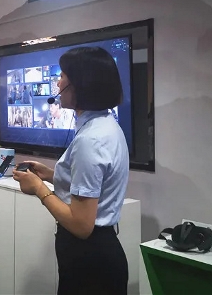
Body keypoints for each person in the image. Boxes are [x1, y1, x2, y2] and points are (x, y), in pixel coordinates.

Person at [13, 46, 129, 295]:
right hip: (98, 255)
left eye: (63, 76)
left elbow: (81, 225)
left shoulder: (91, 140)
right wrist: (51, 175)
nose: (57, 82)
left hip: (89, 261)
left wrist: (39, 188)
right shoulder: (105, 125)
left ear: (79, 84)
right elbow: (94, 185)